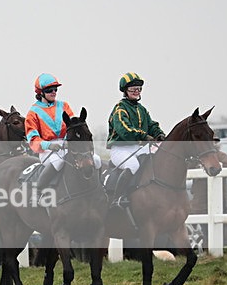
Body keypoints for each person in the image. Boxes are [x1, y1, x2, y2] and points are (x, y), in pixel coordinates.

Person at [25, 73, 101, 195]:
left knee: (96, 160)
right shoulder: (33, 112)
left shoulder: (63, 105)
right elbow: (32, 138)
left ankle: (99, 189)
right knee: (58, 162)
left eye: (55, 89)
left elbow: (72, 128)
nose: (54, 92)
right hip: (47, 149)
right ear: (41, 92)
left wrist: (69, 141)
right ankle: (37, 193)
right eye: (50, 90)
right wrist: (48, 146)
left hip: (68, 144)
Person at [106, 72, 165, 207]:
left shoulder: (142, 109)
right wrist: (144, 136)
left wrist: (159, 134)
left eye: (138, 89)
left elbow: (151, 125)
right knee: (133, 165)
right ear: (125, 91)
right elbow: (124, 130)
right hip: (121, 149)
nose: (136, 92)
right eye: (133, 89)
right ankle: (118, 198)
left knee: (155, 161)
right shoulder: (120, 109)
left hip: (138, 148)